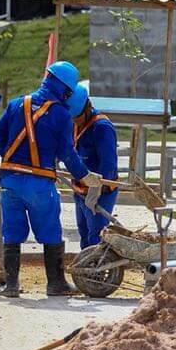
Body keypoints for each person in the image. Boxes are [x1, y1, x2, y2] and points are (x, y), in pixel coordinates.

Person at [0, 61, 100, 298]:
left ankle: (10, 285)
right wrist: (84, 175)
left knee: (11, 232)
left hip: (9, 180)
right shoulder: (60, 114)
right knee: (50, 230)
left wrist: (12, 159)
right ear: (65, 89)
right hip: (39, 184)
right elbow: (67, 153)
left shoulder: (17, 103)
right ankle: (55, 283)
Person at [68, 82, 119, 250]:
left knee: (96, 236)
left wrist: (98, 189)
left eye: (77, 117)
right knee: (83, 232)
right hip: (80, 190)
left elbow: (108, 164)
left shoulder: (102, 128)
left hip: (100, 193)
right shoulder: (73, 123)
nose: (74, 121)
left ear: (87, 107)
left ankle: (98, 272)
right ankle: (86, 271)